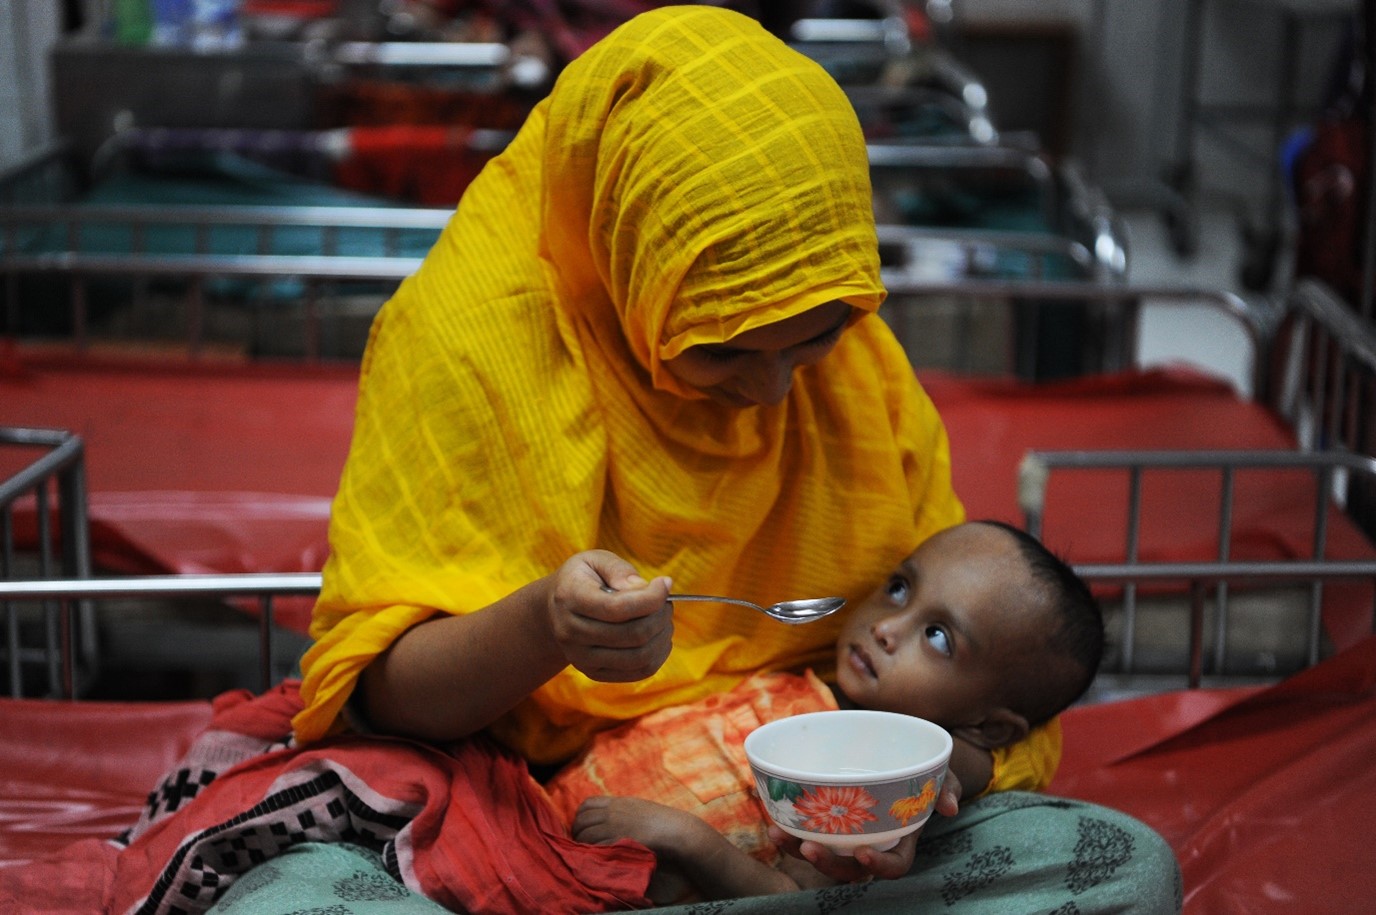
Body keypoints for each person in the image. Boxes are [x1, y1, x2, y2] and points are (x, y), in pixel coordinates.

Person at [164, 6, 1176, 912]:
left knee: (1115, 863)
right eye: (722, 350)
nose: (774, 392)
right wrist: (542, 624)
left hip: (811, 819)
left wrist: (932, 769)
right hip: (514, 814)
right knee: (296, 897)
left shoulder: (855, 361)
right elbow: (382, 699)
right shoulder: (471, 345)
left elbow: (992, 666)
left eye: (809, 341)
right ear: (626, 257)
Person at [556, 519, 1105, 904]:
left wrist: (685, 838)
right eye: (898, 588)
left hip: (592, 885)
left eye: (937, 638)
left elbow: (792, 898)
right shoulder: (826, 685)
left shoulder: (876, 784)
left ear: (988, 726)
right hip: (542, 814)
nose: (886, 627)